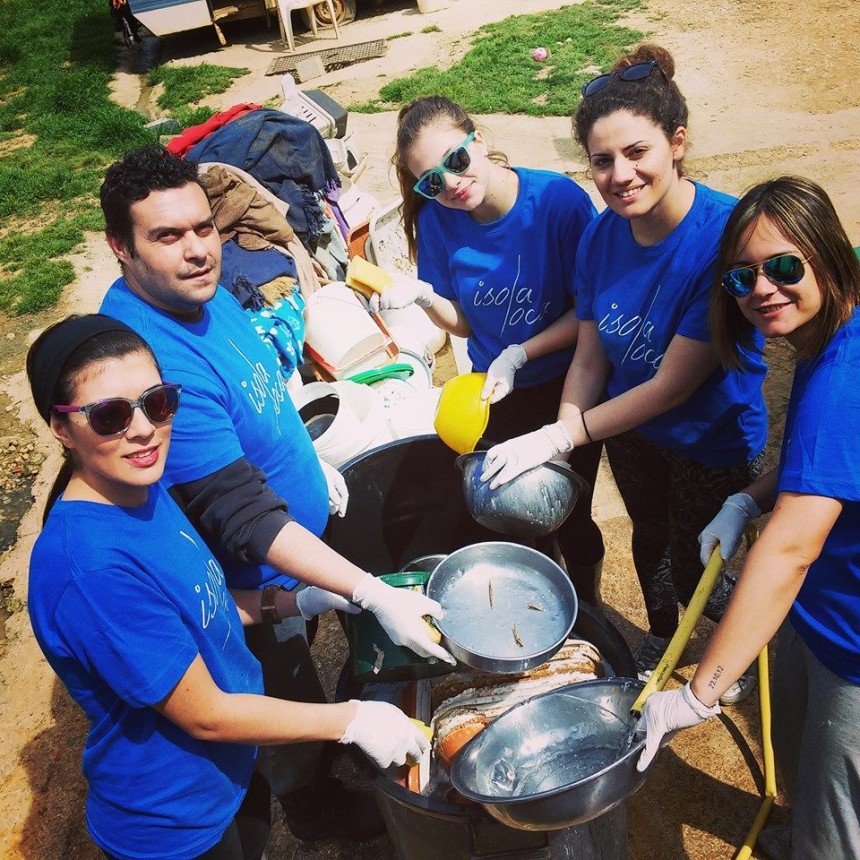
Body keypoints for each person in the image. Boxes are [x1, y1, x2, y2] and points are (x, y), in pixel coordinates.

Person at [97, 145, 453, 843]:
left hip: (294, 554)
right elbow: (243, 519)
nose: (198, 250)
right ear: (121, 248)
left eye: (203, 227)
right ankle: (315, 805)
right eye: (166, 236)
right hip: (250, 577)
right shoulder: (149, 361)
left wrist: (303, 455)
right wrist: (371, 592)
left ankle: (325, 752)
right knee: (277, 686)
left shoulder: (199, 290)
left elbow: (257, 388)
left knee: (302, 661)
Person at [25, 314, 430, 860]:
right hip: (175, 813)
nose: (143, 429)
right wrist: (349, 720)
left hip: (231, 765)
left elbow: (204, 604)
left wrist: (297, 600)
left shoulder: (140, 490)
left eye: (157, 402)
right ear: (61, 426)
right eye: (111, 415)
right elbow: (205, 714)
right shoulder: (91, 568)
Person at [480, 44, 768, 703]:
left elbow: (674, 384)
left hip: (710, 436)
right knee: (652, 540)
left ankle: (731, 655)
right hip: (634, 435)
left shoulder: (722, 237)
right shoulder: (603, 234)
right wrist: (561, 431)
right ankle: (664, 635)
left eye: (638, 152)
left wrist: (561, 439)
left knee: (709, 560)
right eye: (603, 161)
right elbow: (591, 351)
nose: (621, 175)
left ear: (677, 142)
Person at [638, 176, 860, 859]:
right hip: (819, 611)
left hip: (854, 641)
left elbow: (790, 549)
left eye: (785, 267)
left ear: (828, 254)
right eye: (743, 276)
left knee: (836, 826)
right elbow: (823, 465)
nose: (763, 289)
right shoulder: (829, 335)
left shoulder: (842, 374)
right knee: (794, 747)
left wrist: (699, 695)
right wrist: (750, 497)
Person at [378, 94, 605, 606]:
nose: (451, 183)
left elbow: (588, 312)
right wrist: (427, 297)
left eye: (455, 160)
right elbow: (463, 320)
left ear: (478, 141)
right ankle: (542, 605)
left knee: (567, 509)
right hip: (496, 393)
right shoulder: (438, 221)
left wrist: (521, 352)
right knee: (515, 513)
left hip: (568, 384)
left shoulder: (557, 203)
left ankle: (587, 609)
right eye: (431, 181)